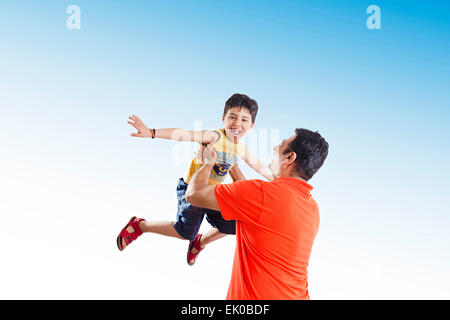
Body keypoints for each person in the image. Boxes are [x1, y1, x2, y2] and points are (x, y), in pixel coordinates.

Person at [116, 93, 274, 266]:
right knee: (185, 232)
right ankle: (140, 225)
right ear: (223, 119)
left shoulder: (241, 149)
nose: (237, 123)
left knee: (236, 225)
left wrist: (275, 180)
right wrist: (152, 132)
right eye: (233, 117)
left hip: (212, 194)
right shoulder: (215, 136)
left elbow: (258, 166)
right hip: (191, 190)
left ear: (251, 126)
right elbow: (184, 134)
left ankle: (199, 242)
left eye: (244, 120)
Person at [185, 128, 329, 299]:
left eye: (281, 145)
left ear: (290, 158)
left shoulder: (261, 194)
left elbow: (194, 194)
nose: (275, 148)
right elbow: (254, 206)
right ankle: (199, 243)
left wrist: (207, 163)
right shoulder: (312, 208)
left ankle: (198, 242)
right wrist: (232, 162)